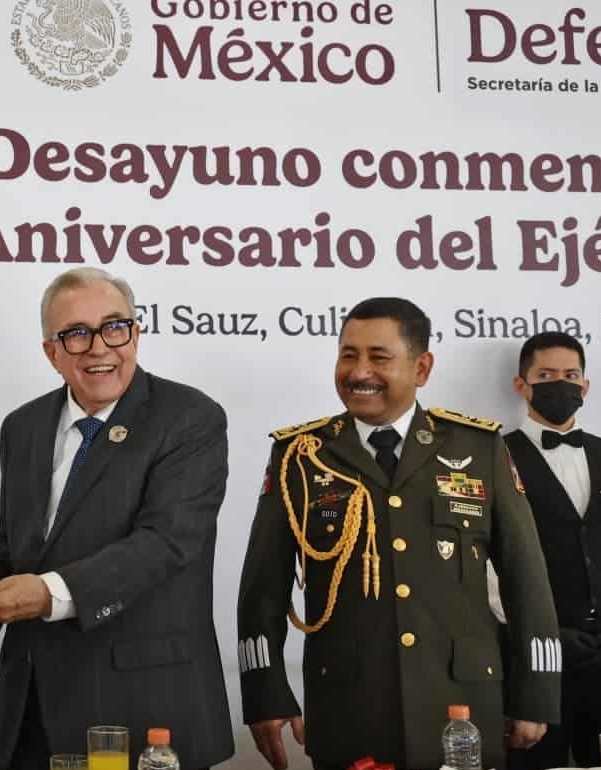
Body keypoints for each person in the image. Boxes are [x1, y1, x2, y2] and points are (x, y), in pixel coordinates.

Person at [237, 297, 561, 770]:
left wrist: (536, 692)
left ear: (422, 367)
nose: (358, 370)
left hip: (463, 702)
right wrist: (264, 691)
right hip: (349, 705)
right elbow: (262, 587)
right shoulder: (301, 454)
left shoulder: (478, 447)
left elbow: (526, 577)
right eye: (348, 354)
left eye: (379, 357)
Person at [0, 267, 234, 770]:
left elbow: (166, 543)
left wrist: (43, 594)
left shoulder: (189, 418)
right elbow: (18, 546)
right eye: (76, 334)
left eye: (114, 327)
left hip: (143, 706)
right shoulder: (23, 426)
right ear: (51, 352)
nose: (99, 347)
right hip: (33, 703)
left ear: (136, 333)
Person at [500, 332, 601, 769]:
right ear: (522, 385)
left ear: (585, 386)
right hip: (533, 658)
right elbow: (484, 566)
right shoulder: (497, 455)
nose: (561, 384)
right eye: (546, 375)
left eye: (571, 376)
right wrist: (541, 632)